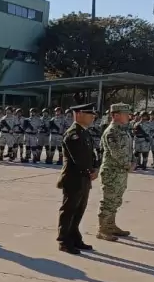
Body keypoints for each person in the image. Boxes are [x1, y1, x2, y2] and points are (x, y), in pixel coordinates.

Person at [56, 103, 99, 255]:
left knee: (79, 210)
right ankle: (64, 240)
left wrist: (95, 168)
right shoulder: (73, 134)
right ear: (79, 114)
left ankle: (74, 237)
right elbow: (78, 158)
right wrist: (89, 170)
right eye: (90, 114)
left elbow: (91, 154)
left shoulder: (85, 133)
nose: (93, 117)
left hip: (84, 177)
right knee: (69, 210)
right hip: (74, 178)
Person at [96, 104, 134, 241]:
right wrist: (127, 165)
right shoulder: (112, 132)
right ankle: (102, 229)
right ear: (116, 115)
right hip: (111, 172)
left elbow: (129, 149)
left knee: (116, 201)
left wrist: (133, 161)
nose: (128, 116)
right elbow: (116, 152)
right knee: (108, 201)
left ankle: (111, 225)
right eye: (126, 114)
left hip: (121, 172)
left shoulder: (124, 130)